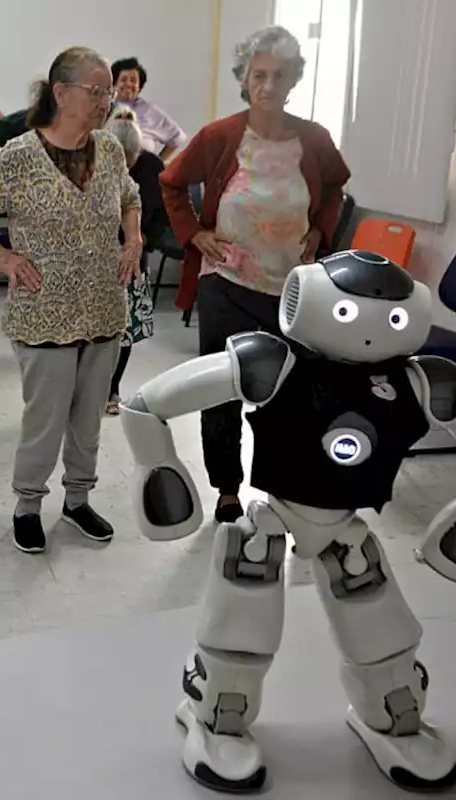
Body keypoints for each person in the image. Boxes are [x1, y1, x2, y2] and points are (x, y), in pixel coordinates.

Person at [0, 46, 143, 555]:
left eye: (107, 92)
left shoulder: (110, 151)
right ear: (61, 93)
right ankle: (28, 505)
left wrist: (135, 239)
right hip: (44, 309)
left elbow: (130, 196)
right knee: (46, 418)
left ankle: (77, 501)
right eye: (96, 91)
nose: (106, 100)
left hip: (103, 306)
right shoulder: (19, 154)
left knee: (88, 418)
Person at [160, 25, 351, 524]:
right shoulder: (220, 136)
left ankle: (278, 482)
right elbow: (171, 184)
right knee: (224, 387)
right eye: (259, 75)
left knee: (286, 392)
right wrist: (194, 236)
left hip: (293, 292)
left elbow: (335, 189)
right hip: (227, 284)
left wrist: (319, 233)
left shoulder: (314, 139)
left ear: (293, 81)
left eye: (280, 75)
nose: (268, 85)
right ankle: (226, 488)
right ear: (244, 79)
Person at [104, 110, 157, 416]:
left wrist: (140, 239)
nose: (124, 163)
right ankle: (88, 390)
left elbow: (160, 218)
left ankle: (112, 388)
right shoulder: (92, 165)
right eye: (118, 155)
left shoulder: (151, 168)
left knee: (125, 330)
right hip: (95, 259)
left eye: (130, 157)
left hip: (133, 260)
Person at [111, 57, 186, 161]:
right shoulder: (105, 107)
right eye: (123, 80)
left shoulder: (150, 111)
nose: (128, 84)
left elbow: (177, 137)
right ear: (115, 84)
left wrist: (157, 162)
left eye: (133, 80)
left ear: (139, 86)